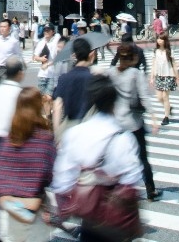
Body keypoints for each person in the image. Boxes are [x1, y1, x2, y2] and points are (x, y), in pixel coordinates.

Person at [49, 75, 143, 242]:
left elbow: (63, 178)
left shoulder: (76, 134)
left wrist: (64, 208)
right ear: (114, 103)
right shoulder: (124, 137)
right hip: (117, 217)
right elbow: (133, 177)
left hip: (90, 214)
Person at [0, 87, 56, 242]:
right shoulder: (44, 140)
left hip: (9, 209)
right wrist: (48, 115)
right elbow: (50, 175)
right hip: (33, 211)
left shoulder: (8, 139)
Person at [108, 43, 162, 201]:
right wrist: (153, 117)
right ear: (133, 57)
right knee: (142, 157)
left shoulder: (111, 72)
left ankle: (114, 190)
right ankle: (150, 190)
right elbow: (144, 97)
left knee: (115, 157)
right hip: (133, 122)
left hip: (116, 121)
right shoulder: (136, 73)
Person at [52, 38, 95, 142]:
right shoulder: (94, 78)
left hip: (70, 128)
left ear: (74, 55)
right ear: (91, 55)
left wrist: (57, 134)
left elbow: (57, 106)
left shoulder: (64, 78)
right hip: (89, 130)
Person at [149, 32, 179, 125]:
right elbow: (154, 64)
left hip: (168, 75)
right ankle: (169, 108)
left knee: (165, 96)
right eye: (158, 38)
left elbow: (174, 65)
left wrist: (177, 77)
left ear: (165, 40)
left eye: (161, 39)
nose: (159, 40)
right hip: (159, 76)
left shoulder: (169, 51)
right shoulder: (156, 51)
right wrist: (151, 77)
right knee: (159, 97)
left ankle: (166, 117)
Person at [33, 23, 61, 101]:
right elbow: (35, 56)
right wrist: (40, 59)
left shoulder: (56, 41)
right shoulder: (41, 42)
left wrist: (48, 64)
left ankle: (51, 111)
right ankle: (49, 113)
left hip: (53, 74)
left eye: (48, 30)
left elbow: (59, 57)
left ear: (52, 32)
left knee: (49, 97)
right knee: (43, 98)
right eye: (45, 30)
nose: (46, 32)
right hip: (42, 74)